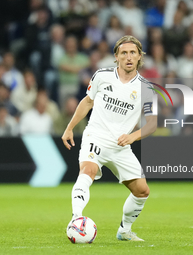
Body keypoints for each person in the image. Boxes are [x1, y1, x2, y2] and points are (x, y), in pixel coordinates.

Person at [61, 35, 157, 241]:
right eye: (124, 53)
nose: (129, 57)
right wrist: (70, 128)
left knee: (142, 191)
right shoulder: (102, 76)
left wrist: (133, 137)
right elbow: (87, 102)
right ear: (116, 57)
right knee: (88, 170)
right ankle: (76, 219)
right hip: (96, 136)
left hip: (121, 145)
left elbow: (151, 124)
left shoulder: (146, 88)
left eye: (133, 53)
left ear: (140, 56)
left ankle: (124, 230)